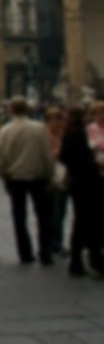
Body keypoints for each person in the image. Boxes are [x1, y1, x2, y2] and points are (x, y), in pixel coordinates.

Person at [0, 96, 55, 266]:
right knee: (43, 216)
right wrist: (50, 174)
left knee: (19, 217)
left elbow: (2, 158)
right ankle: (45, 252)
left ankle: (25, 253)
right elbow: (47, 154)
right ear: (28, 109)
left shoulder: (5, 130)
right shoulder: (39, 128)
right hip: (38, 177)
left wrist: (4, 176)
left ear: (11, 110)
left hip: (16, 178)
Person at [60, 105, 104, 277]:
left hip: (78, 184)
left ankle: (81, 260)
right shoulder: (79, 136)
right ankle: (88, 260)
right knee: (90, 222)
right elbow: (83, 161)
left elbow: (64, 157)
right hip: (88, 184)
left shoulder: (69, 134)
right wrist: (95, 164)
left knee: (81, 221)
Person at [45, 107, 69, 256]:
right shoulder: (45, 135)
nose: (59, 122)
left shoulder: (63, 135)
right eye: (56, 119)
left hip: (64, 177)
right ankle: (53, 243)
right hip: (51, 177)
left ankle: (57, 241)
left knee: (61, 211)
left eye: (60, 119)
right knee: (53, 212)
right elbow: (47, 156)